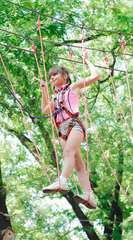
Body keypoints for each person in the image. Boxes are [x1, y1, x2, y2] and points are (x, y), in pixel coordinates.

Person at [40, 49, 100, 209]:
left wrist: (87, 60)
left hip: (74, 124)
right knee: (78, 163)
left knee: (68, 154)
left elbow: (95, 76)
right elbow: (45, 109)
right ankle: (89, 195)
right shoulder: (56, 96)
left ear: (64, 76)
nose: (52, 78)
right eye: (50, 76)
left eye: (55, 75)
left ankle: (62, 181)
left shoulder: (72, 87)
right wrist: (44, 91)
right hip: (62, 129)